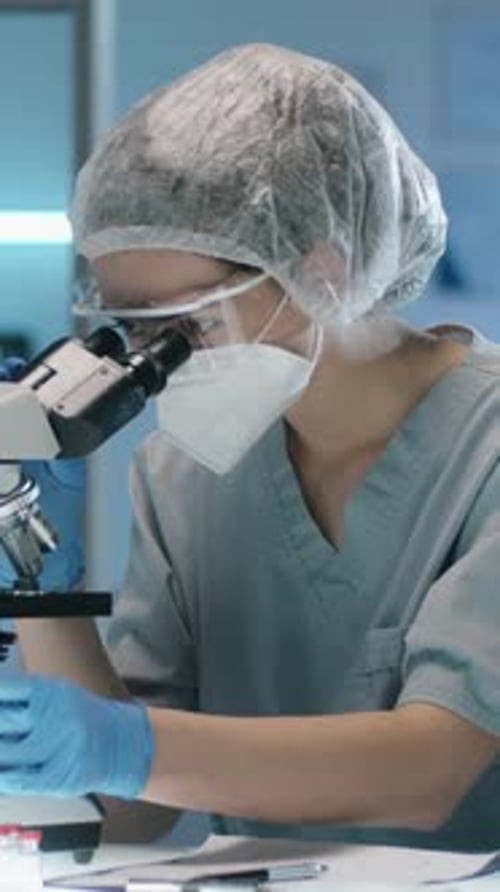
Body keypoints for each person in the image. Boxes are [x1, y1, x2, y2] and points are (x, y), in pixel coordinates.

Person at [0, 43, 499, 851]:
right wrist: (34, 567)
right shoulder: (183, 474)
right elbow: (131, 808)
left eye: (183, 327)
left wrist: (128, 747)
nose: (152, 362)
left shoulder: (488, 449)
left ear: (321, 273)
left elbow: (428, 771)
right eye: (130, 329)